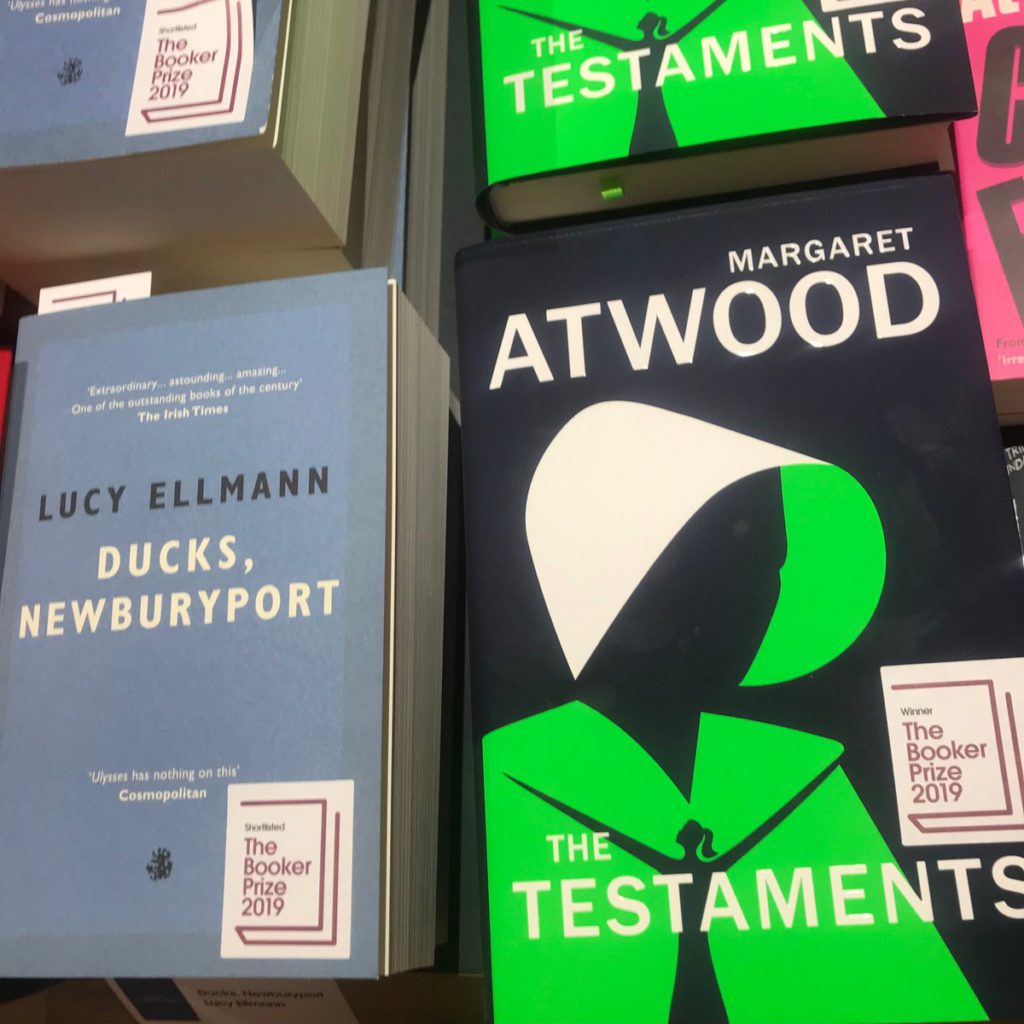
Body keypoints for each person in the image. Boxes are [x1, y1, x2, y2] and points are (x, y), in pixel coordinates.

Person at [482, 400, 985, 1024]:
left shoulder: (799, 770)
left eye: (771, 561)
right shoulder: (517, 770)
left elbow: (904, 986)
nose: (762, 597)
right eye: (722, 563)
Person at [500, 2, 732, 153]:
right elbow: (590, 33)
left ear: (645, 26)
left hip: (647, 100)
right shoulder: (657, 44)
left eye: (642, 22)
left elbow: (591, 33)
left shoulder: (640, 46)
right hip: (651, 99)